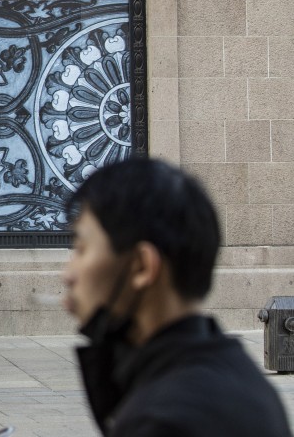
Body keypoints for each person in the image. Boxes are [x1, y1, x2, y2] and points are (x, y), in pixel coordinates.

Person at [63, 158, 293, 437]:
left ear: (142, 266)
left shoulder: (166, 420)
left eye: (81, 248)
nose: (69, 273)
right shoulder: (237, 379)